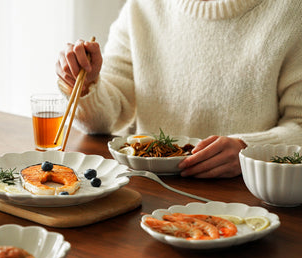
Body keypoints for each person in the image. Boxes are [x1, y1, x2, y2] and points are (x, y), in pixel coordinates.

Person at [56, 0, 302, 178]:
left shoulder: (292, 11)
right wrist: (87, 86)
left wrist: (249, 149)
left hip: (246, 196)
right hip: (150, 189)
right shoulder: (140, 7)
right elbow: (104, 120)